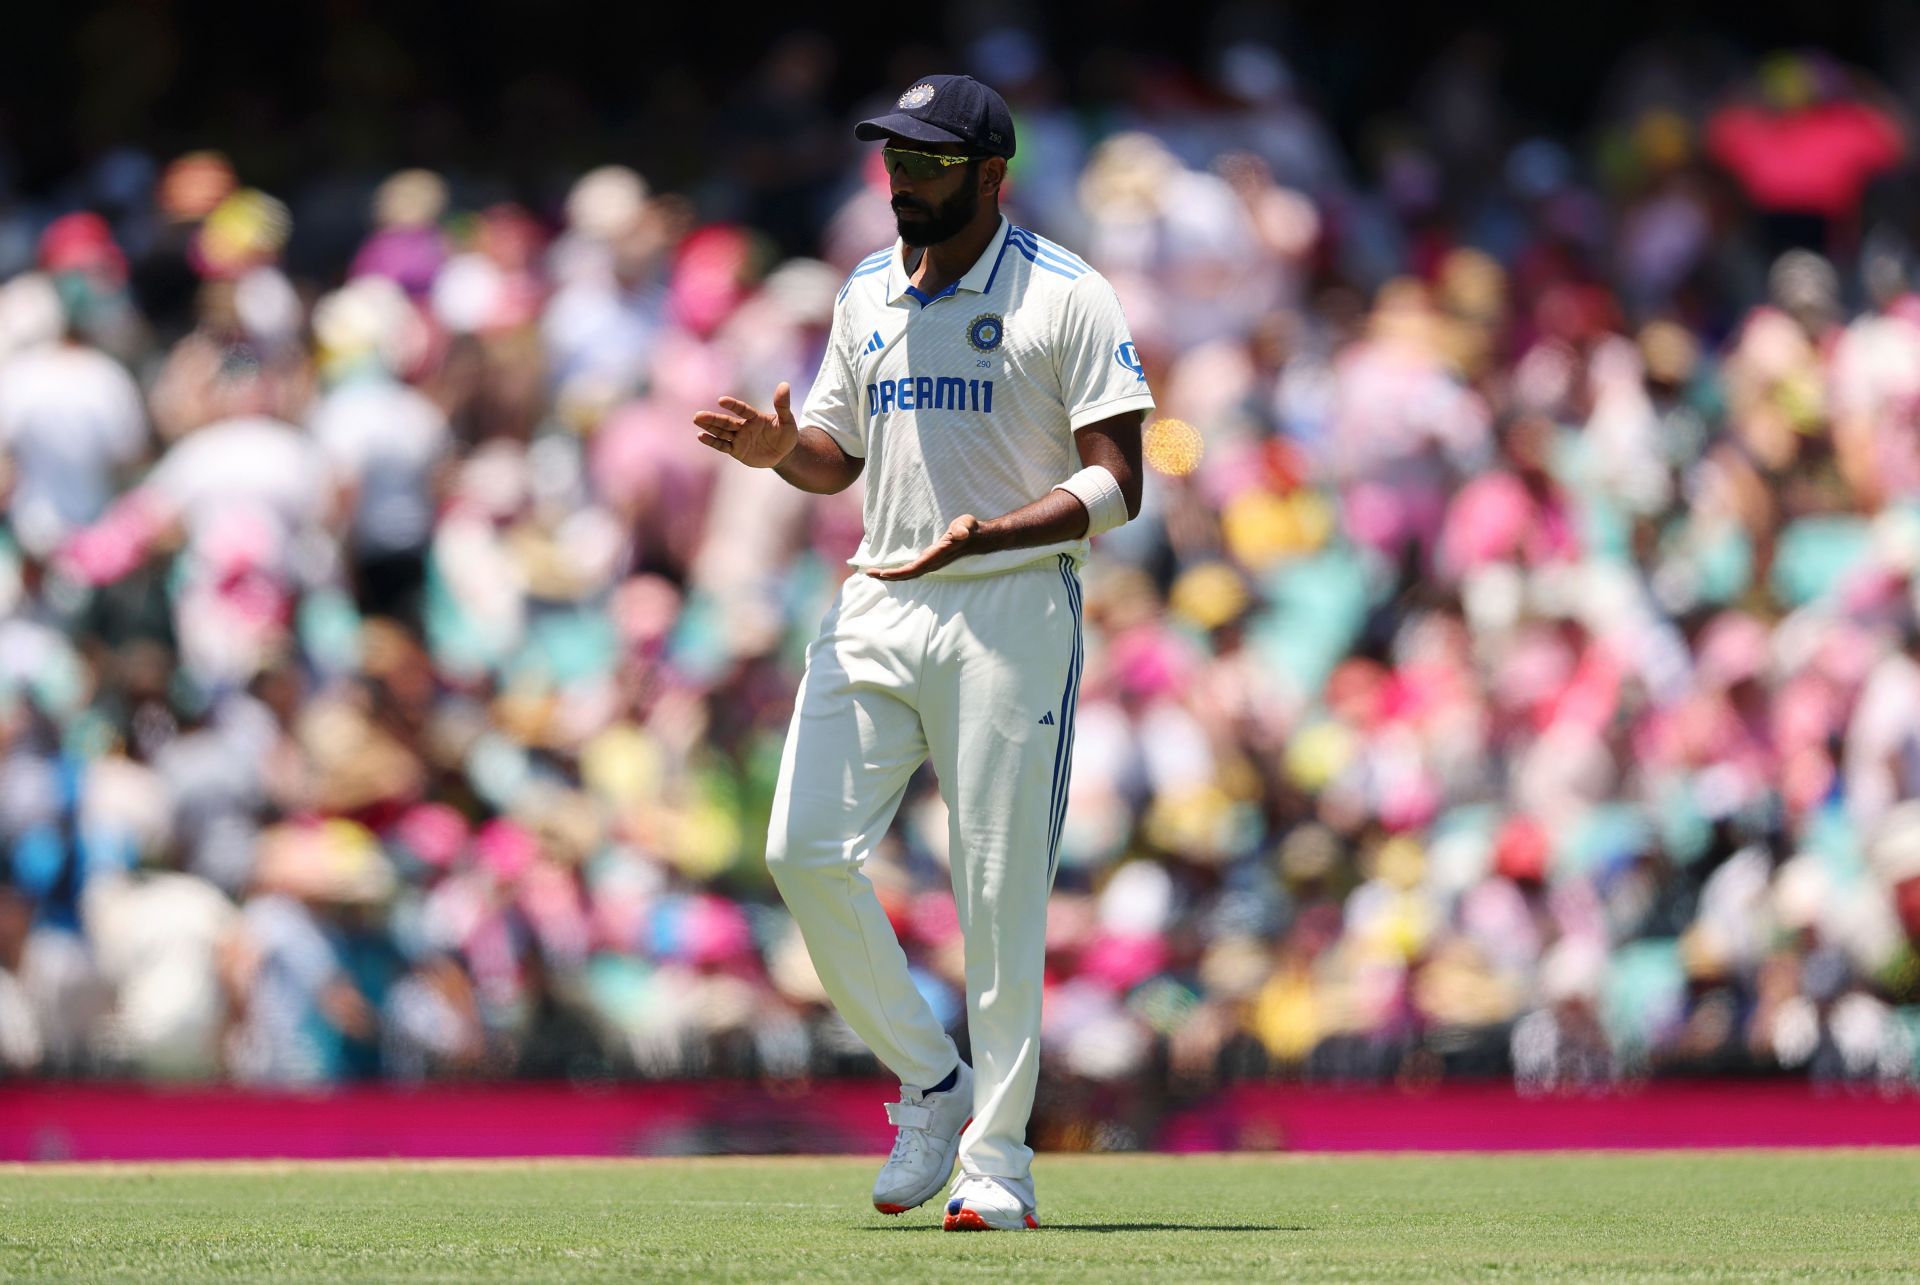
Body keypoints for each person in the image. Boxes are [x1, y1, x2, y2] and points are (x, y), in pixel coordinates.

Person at [693, 73, 1153, 1231]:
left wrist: (995, 532)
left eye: (931, 162)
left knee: (997, 897)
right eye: (896, 159)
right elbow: (837, 458)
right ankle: (934, 1082)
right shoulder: (864, 290)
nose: (905, 179)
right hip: (880, 598)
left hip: (1008, 606)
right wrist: (779, 449)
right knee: (803, 849)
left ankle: (997, 1164)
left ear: (992, 175)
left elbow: (1119, 483)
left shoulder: (1067, 294)